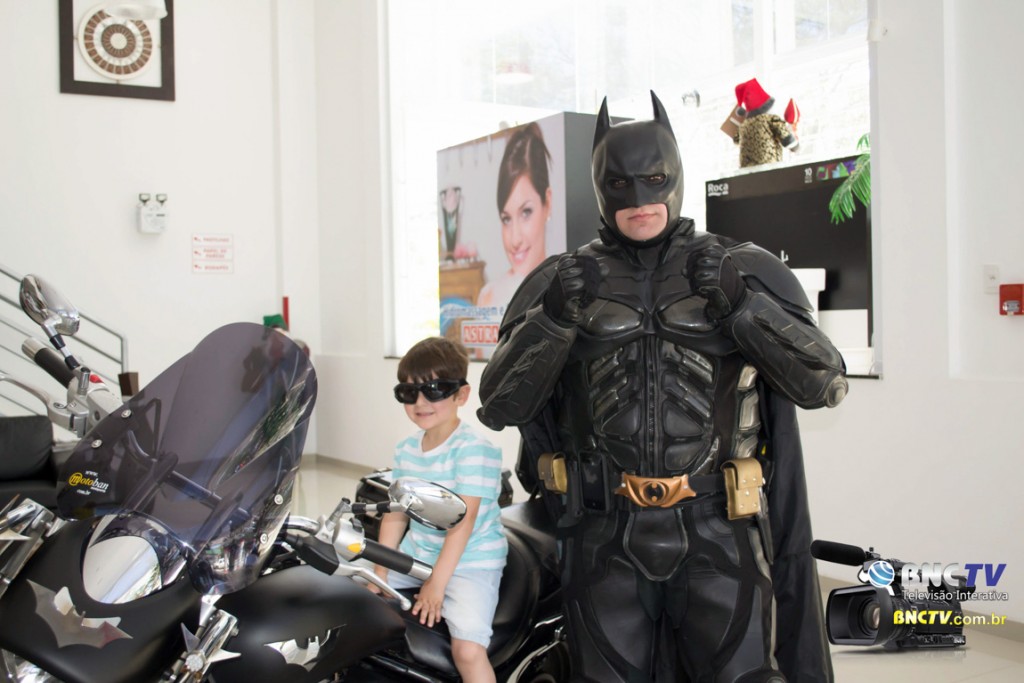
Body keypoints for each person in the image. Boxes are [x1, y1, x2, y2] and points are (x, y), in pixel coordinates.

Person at [477, 92, 847, 682]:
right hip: (604, 533)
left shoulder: (741, 267)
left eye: (654, 179)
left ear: (676, 175)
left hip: (717, 525)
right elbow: (499, 405)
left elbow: (823, 381)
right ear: (599, 187)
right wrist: (553, 320)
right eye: (620, 184)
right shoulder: (559, 281)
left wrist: (743, 306)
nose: (639, 199)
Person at [373, 337, 508, 683]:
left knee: (468, 651)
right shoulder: (406, 449)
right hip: (419, 553)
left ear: (461, 395)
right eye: (409, 392)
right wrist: (380, 570)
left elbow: (462, 522)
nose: (420, 402)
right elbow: (396, 513)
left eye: (434, 390)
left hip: (470, 562)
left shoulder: (474, 449)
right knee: (354, 595)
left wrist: (437, 583)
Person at [477, 122, 553, 307]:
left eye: (526, 212)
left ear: (547, 203)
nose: (515, 239)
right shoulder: (488, 297)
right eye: (506, 219)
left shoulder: (566, 290)